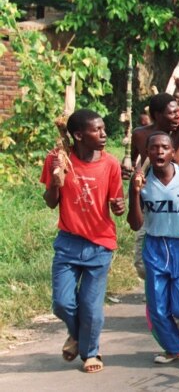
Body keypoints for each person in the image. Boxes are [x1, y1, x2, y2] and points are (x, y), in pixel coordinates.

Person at [41, 109, 125, 374]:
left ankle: (91, 351)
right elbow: (51, 202)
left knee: (91, 307)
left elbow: (116, 203)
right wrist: (56, 182)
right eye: (96, 130)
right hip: (68, 242)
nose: (103, 134)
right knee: (62, 303)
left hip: (100, 244)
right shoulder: (58, 158)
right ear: (78, 135)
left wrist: (120, 206)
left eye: (103, 129)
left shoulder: (111, 164)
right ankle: (77, 335)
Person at [127, 132, 179, 364]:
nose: (159, 152)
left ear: (173, 153)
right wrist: (134, 193)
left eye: (164, 148)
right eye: (154, 148)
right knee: (158, 306)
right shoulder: (141, 182)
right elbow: (135, 224)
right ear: (147, 152)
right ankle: (173, 347)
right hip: (154, 247)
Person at [128, 82, 179, 280]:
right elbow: (133, 157)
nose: (177, 117)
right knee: (143, 262)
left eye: (178, 112)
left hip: (178, 198)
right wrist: (131, 169)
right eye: (172, 113)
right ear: (157, 115)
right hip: (151, 198)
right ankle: (158, 294)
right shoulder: (140, 134)